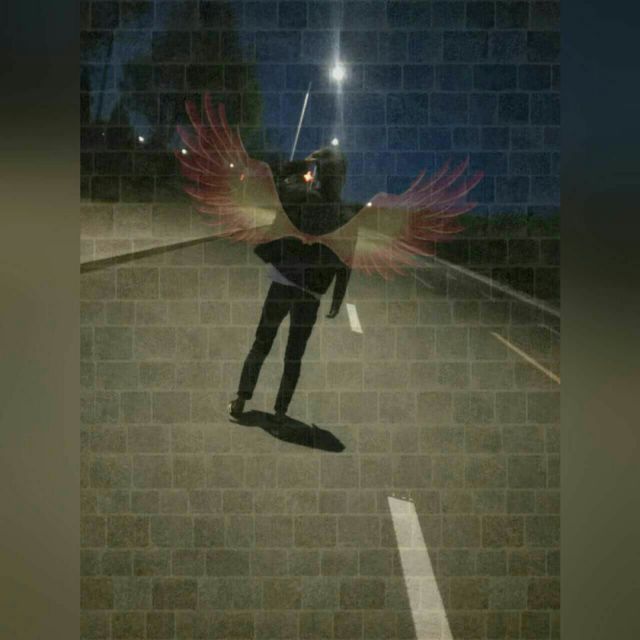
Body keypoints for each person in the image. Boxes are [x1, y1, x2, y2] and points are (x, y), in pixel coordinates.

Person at [228, 146, 351, 424]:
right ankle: (280, 412)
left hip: (284, 281)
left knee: (262, 341)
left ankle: (241, 400)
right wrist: (337, 299)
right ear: (342, 178)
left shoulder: (302, 196)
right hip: (311, 294)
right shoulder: (345, 216)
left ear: (321, 172)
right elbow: (346, 262)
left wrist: (302, 164)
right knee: (294, 355)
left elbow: (276, 180)